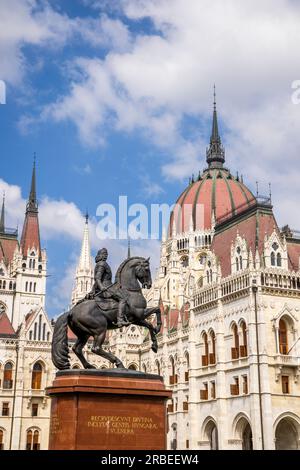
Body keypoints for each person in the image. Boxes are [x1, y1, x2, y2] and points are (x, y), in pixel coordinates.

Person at [89, 248, 130, 328]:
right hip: (107, 287)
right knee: (123, 298)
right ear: (101, 255)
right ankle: (120, 319)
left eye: (106, 254)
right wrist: (102, 287)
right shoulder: (102, 264)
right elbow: (97, 278)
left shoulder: (100, 263)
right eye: (104, 254)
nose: (106, 255)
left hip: (107, 286)